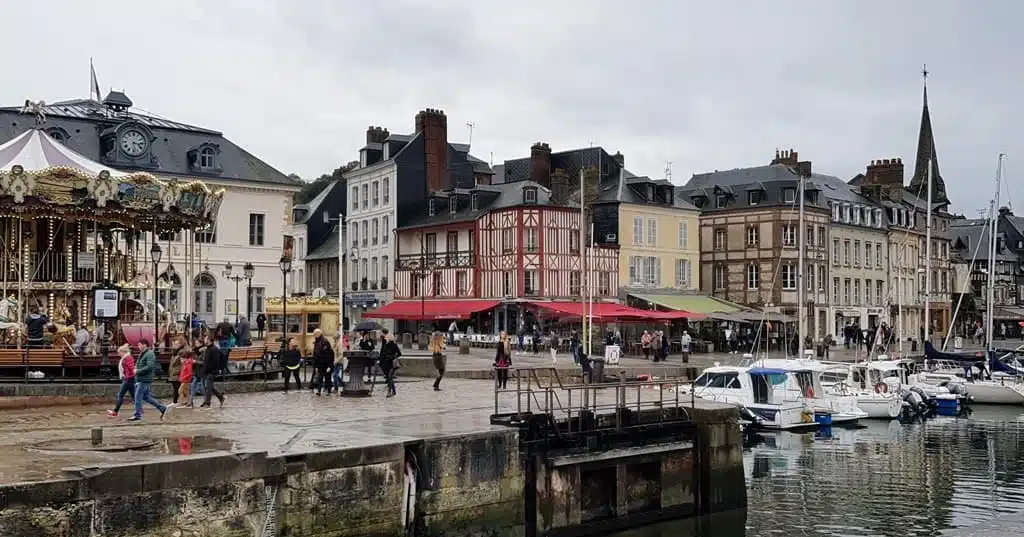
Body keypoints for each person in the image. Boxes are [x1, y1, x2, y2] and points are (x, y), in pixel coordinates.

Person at [131, 339, 169, 421]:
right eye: (138, 345)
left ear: (145, 345)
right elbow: (140, 364)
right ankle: (162, 408)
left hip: (144, 379)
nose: (139, 347)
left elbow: (150, 366)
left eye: (140, 345)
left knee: (137, 397)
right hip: (142, 378)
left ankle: (138, 414)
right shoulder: (143, 354)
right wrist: (136, 369)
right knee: (146, 397)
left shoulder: (149, 354)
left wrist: (138, 371)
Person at [106, 344, 136, 417]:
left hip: (127, 379)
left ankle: (115, 411)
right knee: (133, 396)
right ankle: (139, 409)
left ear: (123, 352)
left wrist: (127, 375)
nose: (118, 354)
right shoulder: (126, 357)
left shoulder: (127, 358)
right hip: (128, 378)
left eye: (119, 352)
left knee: (120, 395)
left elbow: (131, 368)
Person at [200, 336, 226, 408]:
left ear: (209, 340)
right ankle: (220, 397)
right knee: (209, 386)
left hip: (212, 371)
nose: (204, 340)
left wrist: (209, 369)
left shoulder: (214, 349)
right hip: (207, 371)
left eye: (205, 339)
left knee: (208, 387)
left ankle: (208, 402)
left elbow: (215, 362)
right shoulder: (208, 348)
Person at [378, 332, 401, 397]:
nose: (385, 338)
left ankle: (389, 392)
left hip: (391, 364)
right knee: (389, 378)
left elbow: (399, 353)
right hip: (386, 364)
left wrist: (392, 357)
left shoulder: (394, 344)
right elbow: (383, 353)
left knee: (390, 377)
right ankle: (394, 391)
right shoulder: (385, 344)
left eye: (386, 337)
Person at [312, 328, 334, 396]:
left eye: (315, 334)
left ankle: (328, 391)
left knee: (327, 378)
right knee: (320, 378)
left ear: (319, 334)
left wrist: (330, 366)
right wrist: (315, 365)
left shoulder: (325, 341)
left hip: (326, 364)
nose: (314, 335)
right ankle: (319, 391)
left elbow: (329, 354)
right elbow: (315, 354)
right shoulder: (317, 341)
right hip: (320, 364)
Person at [167, 337, 184, 405]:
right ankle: (176, 401)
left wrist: (179, 371)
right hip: (173, 372)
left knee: (178, 388)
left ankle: (176, 401)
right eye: (173, 344)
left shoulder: (181, 352)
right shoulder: (174, 352)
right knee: (176, 388)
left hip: (177, 372)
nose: (174, 345)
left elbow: (182, 363)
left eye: (176, 344)